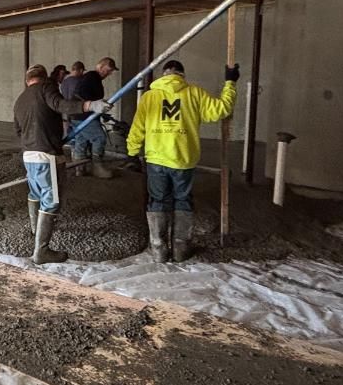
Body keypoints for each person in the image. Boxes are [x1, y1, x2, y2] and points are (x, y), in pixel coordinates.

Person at [125, 59, 239, 262]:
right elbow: (221, 110)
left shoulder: (150, 96)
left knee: (158, 200)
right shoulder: (195, 93)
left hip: (156, 159)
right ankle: (180, 249)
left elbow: (138, 126)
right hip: (183, 159)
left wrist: (132, 150)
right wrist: (230, 82)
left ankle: (159, 250)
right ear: (182, 75)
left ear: (163, 75)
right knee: (183, 200)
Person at [14, 65, 112, 264]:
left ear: (27, 80)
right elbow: (60, 104)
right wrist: (90, 105)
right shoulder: (45, 88)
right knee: (51, 201)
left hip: (29, 155)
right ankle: (41, 251)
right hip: (46, 156)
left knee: (35, 193)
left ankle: (36, 231)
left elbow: (18, 130)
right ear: (43, 78)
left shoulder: (20, 100)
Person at [70, 56, 118, 178]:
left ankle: (79, 169)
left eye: (111, 71)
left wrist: (100, 105)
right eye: (108, 70)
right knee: (99, 137)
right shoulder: (91, 77)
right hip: (84, 116)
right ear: (100, 67)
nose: (109, 73)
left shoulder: (93, 78)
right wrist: (93, 105)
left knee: (81, 140)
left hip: (77, 115)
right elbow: (79, 93)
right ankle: (97, 167)